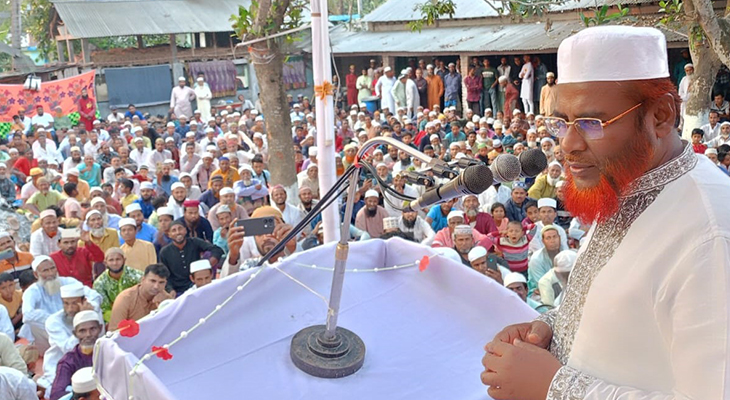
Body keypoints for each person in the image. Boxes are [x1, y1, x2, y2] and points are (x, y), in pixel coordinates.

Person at [481, 26, 730, 400]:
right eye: (561, 121)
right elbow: (626, 322)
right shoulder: (623, 178)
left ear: (661, 116)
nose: (567, 144)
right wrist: (549, 331)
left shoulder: (712, 233)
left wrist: (554, 387)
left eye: (590, 123)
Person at [38, 283, 101, 394]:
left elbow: (98, 338)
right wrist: (82, 317)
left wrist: (86, 315)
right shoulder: (53, 321)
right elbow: (68, 347)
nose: (70, 309)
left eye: (74, 303)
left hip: (92, 358)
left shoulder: (93, 313)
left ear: (83, 301)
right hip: (60, 363)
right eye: (66, 304)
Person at [220, 207, 298, 275]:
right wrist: (233, 256)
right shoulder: (250, 266)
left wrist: (292, 248)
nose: (265, 237)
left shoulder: (299, 255)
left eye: (270, 230)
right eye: (259, 233)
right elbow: (230, 288)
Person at [48, 310, 101, 400]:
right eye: (82, 331)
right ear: (75, 334)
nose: (88, 335)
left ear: (100, 328)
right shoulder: (68, 361)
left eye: (92, 329)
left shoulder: (111, 353)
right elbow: (56, 395)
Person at [159, 221, 223, 294]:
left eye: (180, 229)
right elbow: (164, 275)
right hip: (178, 290)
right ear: (169, 235)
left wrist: (208, 264)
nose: (178, 232)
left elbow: (217, 250)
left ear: (185, 231)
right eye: (174, 230)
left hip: (198, 285)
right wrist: (170, 290)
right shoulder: (165, 252)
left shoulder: (194, 242)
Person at [108, 264, 174, 330]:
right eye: (152, 281)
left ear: (165, 283)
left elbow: (173, 327)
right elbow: (114, 331)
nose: (156, 286)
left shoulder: (167, 300)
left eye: (161, 282)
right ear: (143, 280)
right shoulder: (125, 298)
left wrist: (161, 306)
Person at [93, 248, 142, 322]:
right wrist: (120, 321)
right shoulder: (100, 283)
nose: (115, 263)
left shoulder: (138, 276)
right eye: (111, 260)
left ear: (124, 260)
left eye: (118, 259)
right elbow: (104, 309)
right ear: (105, 263)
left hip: (139, 315)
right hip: (114, 320)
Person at [526, 224, 561, 294]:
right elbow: (543, 285)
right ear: (543, 241)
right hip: (540, 292)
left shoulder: (566, 255)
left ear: (559, 238)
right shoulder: (536, 259)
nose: (552, 240)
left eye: (555, 237)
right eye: (548, 238)